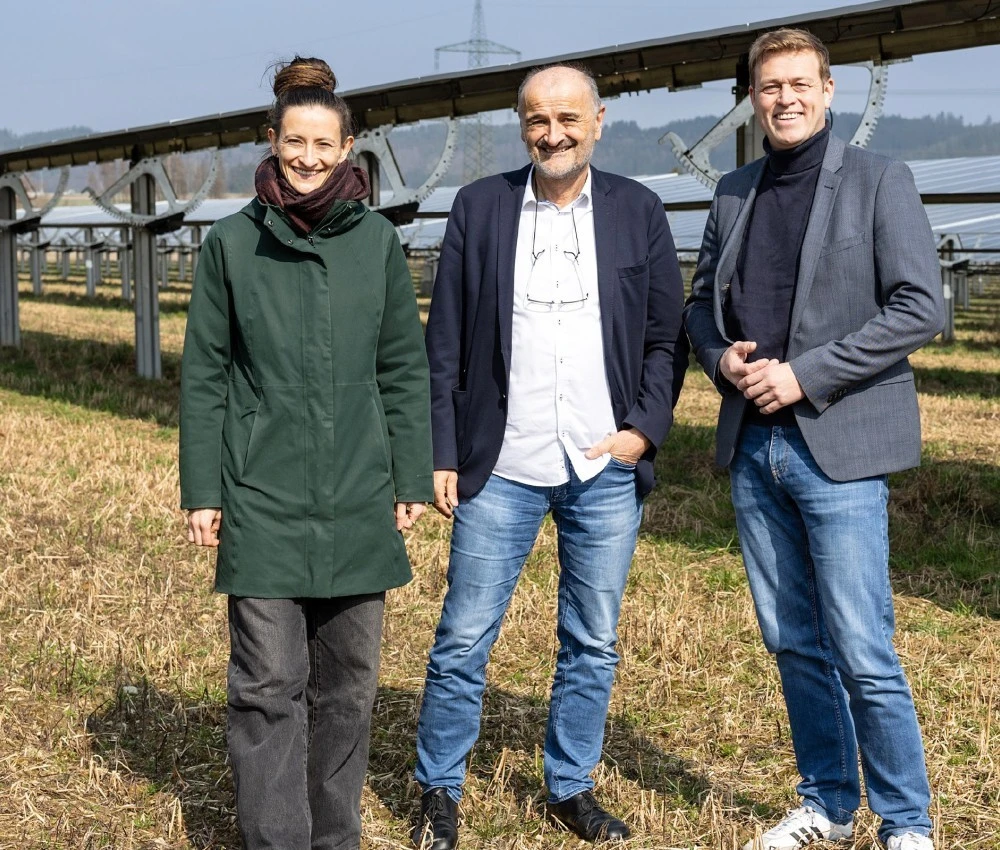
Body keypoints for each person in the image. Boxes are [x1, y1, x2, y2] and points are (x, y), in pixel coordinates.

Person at [412, 63, 686, 847]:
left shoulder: (638, 210)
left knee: (592, 639)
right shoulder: (481, 208)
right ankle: (439, 789)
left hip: (604, 466)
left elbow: (666, 338)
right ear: (521, 125)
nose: (553, 134)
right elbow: (445, 345)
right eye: (537, 120)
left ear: (598, 120)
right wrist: (442, 451)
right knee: (465, 635)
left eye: (568, 118)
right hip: (499, 465)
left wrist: (644, 430)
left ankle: (569, 785)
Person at [684, 28, 943, 850]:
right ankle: (829, 804)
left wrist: (808, 373)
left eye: (801, 84)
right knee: (793, 640)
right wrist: (719, 355)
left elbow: (919, 307)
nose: (786, 99)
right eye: (770, 87)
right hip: (754, 449)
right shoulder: (733, 191)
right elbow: (697, 305)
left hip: (838, 446)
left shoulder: (879, 180)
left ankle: (907, 822)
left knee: (863, 643)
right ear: (753, 99)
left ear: (828, 91)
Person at [179, 56, 433, 850]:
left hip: (360, 490)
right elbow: (205, 376)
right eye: (296, 142)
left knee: (350, 690)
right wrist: (202, 489)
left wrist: (411, 476)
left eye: (325, 144)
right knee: (265, 687)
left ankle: (336, 838)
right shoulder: (230, 244)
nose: (310, 158)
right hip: (262, 491)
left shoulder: (379, 246)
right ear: (273, 140)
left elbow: (402, 366)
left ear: (348, 147)